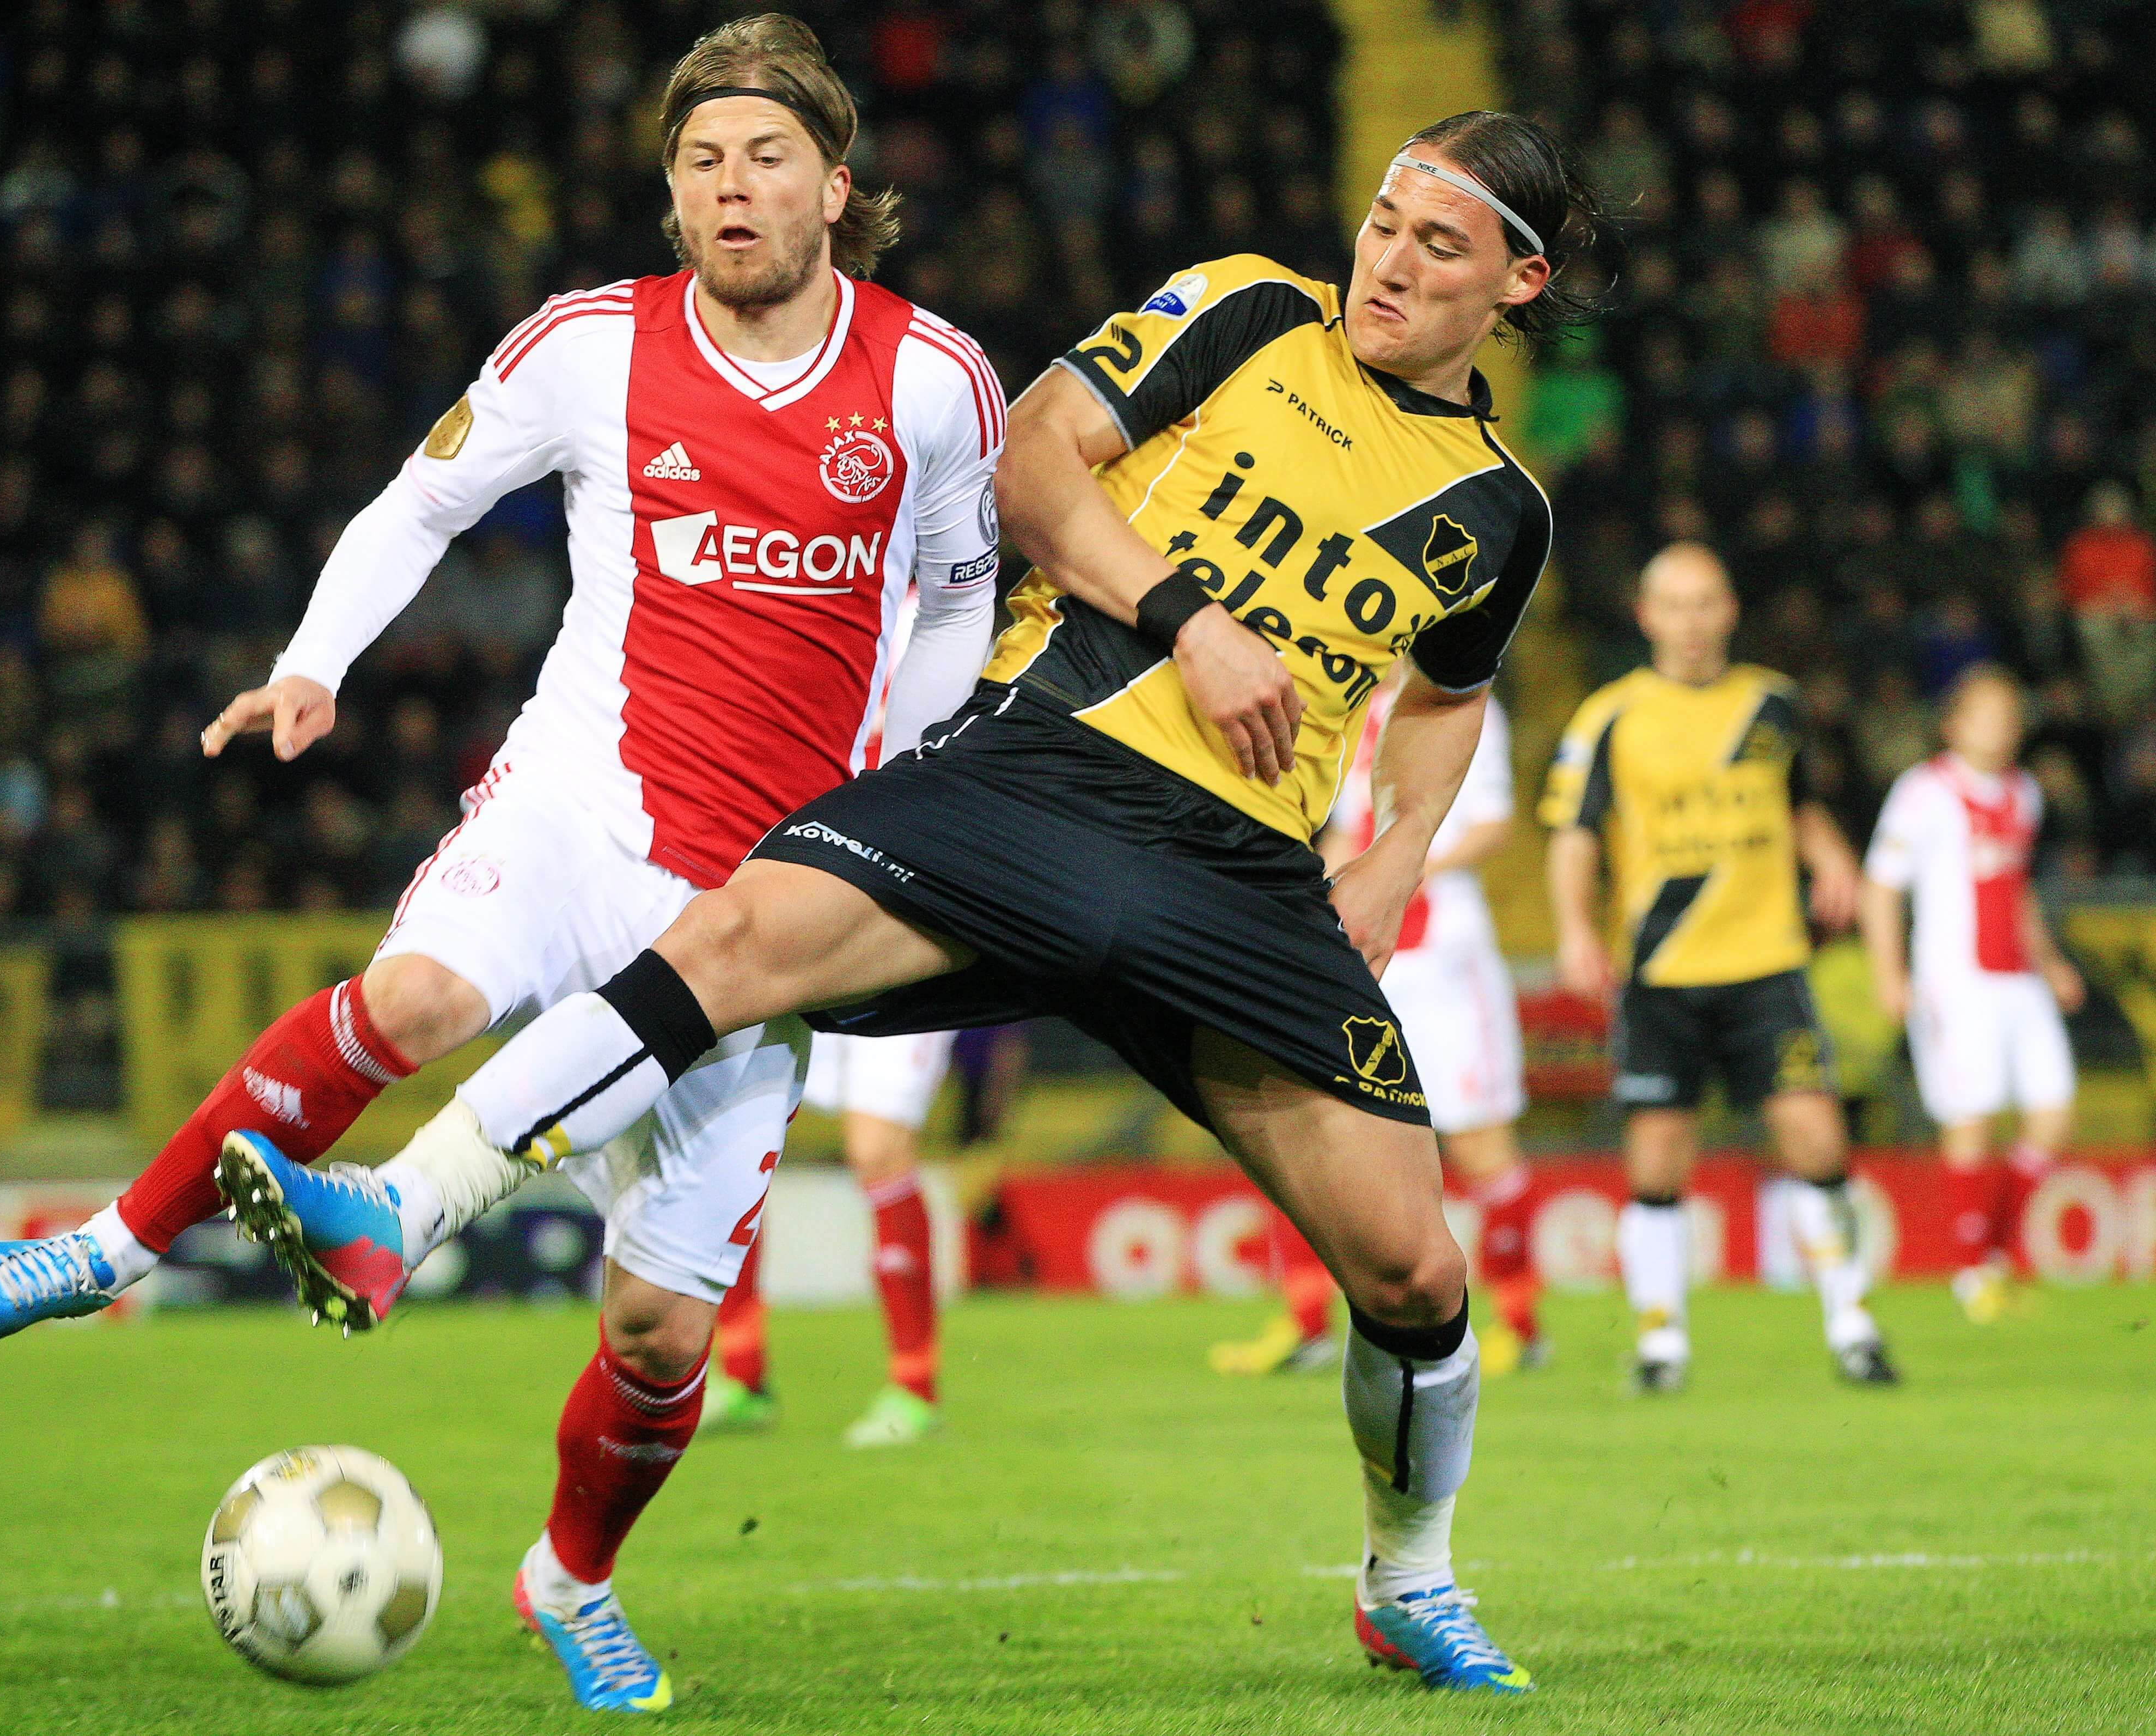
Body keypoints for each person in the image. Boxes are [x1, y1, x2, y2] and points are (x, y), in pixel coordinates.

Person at [225, 108, 1616, 1695]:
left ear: (1516, 282)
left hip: (1240, 884)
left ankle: (1408, 1581)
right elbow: (1032, 454)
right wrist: (1185, 618)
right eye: (1382, 219)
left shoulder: (1500, 509)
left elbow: (1447, 691)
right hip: (1044, 770)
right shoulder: (1244, 311)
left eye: (1437, 246)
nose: (1388, 260)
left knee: (1416, 1275)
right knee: (737, 937)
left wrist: (1390, 855)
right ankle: (398, 1210)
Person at [0, 16, 1008, 1713]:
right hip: (581, 799)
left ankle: (569, 1577)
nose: (733, 189)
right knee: (416, 995)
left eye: (767, 158)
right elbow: (416, 504)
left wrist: (904, 789)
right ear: (672, 197)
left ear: (838, 186)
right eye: (702, 163)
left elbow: (955, 604)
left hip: (773, 899)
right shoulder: (589, 348)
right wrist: (314, 663)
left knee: (660, 1339)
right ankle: (106, 1251)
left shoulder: (936, 383)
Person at [1543, 542, 1895, 1392]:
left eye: (1707, 603)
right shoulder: (1610, 716)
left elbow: (1798, 805)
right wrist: (1573, 929)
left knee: (1816, 1134)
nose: (1693, 622)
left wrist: (1834, 860)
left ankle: (1854, 1324)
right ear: (1647, 614)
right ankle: (1662, 1339)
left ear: (1730, 610)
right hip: (1662, 968)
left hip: (1766, 961)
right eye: (1676, 604)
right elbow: (1575, 832)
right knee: (1659, 1155)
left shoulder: (1774, 704)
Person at [1212, 683, 1541, 1376]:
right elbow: (1343, 829)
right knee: (1306, 1126)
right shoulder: (1349, 701)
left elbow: (1492, 823)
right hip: (1364, 953)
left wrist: (1401, 867)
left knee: (1480, 1144)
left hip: (1445, 955)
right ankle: (1304, 1323)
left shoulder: (1462, 702)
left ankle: (1520, 1324)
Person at [1859, 665, 2082, 1323]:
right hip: (1955, 980)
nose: (2001, 724)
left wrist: (2050, 961)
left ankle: (1999, 1255)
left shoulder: (2025, 793)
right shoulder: (1923, 792)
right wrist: (1888, 973)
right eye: (1986, 712)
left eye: (2010, 713)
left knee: (2053, 1115)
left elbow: (2017, 889)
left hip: (2019, 978)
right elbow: (1881, 885)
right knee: (1972, 1118)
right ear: (1953, 722)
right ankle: (1968, 1271)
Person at [701, 1028, 957, 1447]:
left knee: (878, 1151)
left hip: (896, 980)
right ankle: (743, 1378)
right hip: (811, 974)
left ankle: (915, 1388)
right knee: (738, 1136)